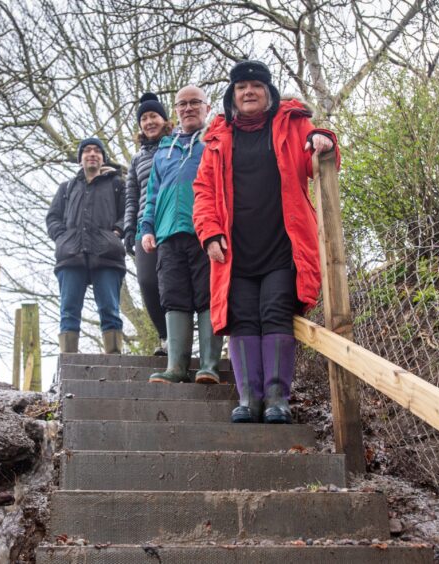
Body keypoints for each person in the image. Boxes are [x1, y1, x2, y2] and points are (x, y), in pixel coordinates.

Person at [193, 61, 339, 423]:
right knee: (242, 318)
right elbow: (203, 192)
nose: (248, 92)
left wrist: (323, 138)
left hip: (281, 247)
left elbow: (314, 154)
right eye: (241, 87)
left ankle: (277, 400)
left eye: (256, 86)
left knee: (274, 314)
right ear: (232, 95)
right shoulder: (216, 137)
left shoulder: (290, 124)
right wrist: (209, 233)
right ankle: (248, 400)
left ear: (269, 92)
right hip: (234, 251)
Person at [140, 85, 223, 384]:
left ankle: (210, 365)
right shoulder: (164, 149)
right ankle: (176, 367)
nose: (188, 108)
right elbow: (152, 193)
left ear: (206, 106)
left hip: (204, 233)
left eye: (194, 103)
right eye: (182, 104)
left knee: (206, 296)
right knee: (173, 297)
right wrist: (146, 228)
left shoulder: (216, 141)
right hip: (167, 236)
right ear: (175, 110)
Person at [46, 137, 127, 354]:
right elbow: (53, 217)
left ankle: (114, 361)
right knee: (69, 310)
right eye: (87, 151)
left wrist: (117, 232)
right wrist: (62, 237)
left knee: (110, 309)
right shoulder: (67, 188)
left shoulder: (117, 185)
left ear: (103, 158)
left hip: (107, 254)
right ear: (80, 158)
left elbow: (128, 214)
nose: (92, 154)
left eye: (97, 151)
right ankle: (68, 361)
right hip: (71, 255)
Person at [123, 93, 173, 356]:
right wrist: (130, 227)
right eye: (144, 118)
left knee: (174, 284)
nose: (149, 121)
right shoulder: (136, 158)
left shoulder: (177, 145)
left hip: (173, 222)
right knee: (147, 281)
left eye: (153, 115)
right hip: (146, 226)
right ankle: (165, 336)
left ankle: (180, 340)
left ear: (164, 119)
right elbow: (132, 195)